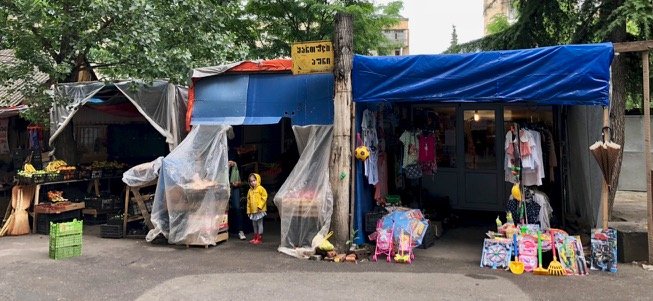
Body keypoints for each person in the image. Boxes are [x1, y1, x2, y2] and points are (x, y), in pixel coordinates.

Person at [246, 173, 267, 245]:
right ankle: (255, 237)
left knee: (259, 223)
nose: (253, 182)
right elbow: (248, 202)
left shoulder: (261, 188)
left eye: (254, 180)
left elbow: (264, 197)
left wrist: (260, 206)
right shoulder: (250, 191)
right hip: (253, 211)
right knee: (254, 224)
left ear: (257, 180)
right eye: (251, 181)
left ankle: (260, 238)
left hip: (259, 210)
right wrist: (248, 211)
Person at [228, 160, 246, 240]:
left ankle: (240, 230)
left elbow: (241, 181)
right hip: (224, 187)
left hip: (234, 189)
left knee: (237, 208)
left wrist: (236, 183)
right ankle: (223, 231)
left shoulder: (236, 169)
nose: (230, 162)